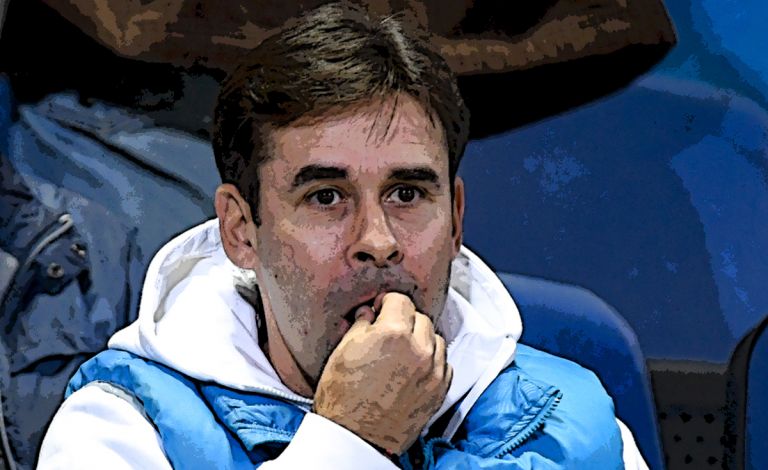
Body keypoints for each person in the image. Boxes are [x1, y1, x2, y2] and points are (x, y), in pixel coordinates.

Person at [38, 2, 649, 468]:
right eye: (326, 197)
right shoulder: (121, 428)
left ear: (457, 219)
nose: (377, 240)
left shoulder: (578, 426)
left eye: (407, 194)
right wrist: (351, 441)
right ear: (241, 231)